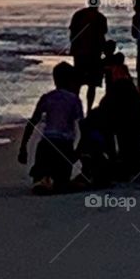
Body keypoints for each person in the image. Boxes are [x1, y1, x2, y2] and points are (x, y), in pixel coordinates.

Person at [18, 62, 84, 194]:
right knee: (62, 182)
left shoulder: (47, 97)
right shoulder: (74, 100)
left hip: (46, 144)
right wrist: (79, 151)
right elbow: (83, 127)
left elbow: (32, 122)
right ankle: (55, 181)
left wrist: (23, 147)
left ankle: (44, 179)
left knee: (42, 175)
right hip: (64, 145)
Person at [68, 0, 108, 110]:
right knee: (92, 84)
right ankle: (89, 109)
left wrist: (74, 48)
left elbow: (72, 35)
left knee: (78, 83)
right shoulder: (101, 18)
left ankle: (74, 108)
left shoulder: (78, 15)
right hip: (93, 54)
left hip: (80, 53)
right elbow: (102, 36)